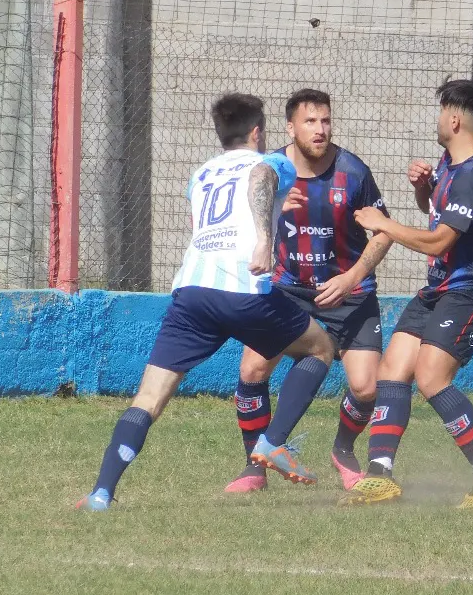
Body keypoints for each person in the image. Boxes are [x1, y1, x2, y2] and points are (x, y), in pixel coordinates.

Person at [76, 93, 336, 510]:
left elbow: (206, 226)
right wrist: (265, 240)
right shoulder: (272, 162)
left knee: (149, 398)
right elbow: (259, 180)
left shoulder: (200, 175)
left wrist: (272, 210)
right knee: (321, 348)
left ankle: (101, 492)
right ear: (257, 131)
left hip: (191, 293)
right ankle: (272, 443)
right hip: (243, 289)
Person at [343, 79, 473, 510]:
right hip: (440, 288)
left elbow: (440, 241)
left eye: (442, 113)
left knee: (432, 376)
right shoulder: (452, 165)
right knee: (392, 370)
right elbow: (440, 217)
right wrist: (424, 190)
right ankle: (380, 475)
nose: (438, 120)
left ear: (454, 119)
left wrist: (382, 224)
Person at [225, 89, 393, 494]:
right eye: (310, 122)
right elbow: (233, 222)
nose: (320, 130)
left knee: (367, 388)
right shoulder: (271, 171)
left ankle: (343, 450)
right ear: (290, 127)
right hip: (288, 292)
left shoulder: (352, 172)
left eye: (325, 121)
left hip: (349, 294)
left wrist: (352, 278)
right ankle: (255, 467)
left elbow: (384, 232)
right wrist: (270, 212)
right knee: (251, 370)